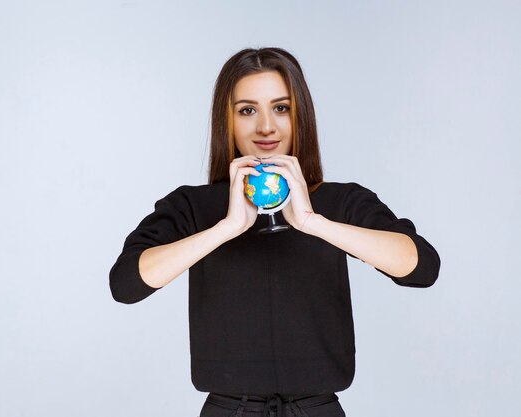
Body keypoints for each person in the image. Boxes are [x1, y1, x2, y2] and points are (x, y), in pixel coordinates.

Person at [109, 47, 440, 417]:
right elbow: (125, 284)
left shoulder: (339, 200)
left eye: (281, 108)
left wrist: (313, 222)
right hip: (227, 409)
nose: (266, 126)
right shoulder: (192, 205)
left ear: (302, 117)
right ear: (228, 121)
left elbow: (421, 267)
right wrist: (226, 228)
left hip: (318, 409)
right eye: (247, 110)